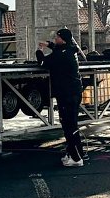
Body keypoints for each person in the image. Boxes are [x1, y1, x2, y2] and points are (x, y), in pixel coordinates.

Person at [36, 27, 85, 167]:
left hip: (66, 93)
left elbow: (43, 63)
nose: (54, 39)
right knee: (71, 125)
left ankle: (76, 158)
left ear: (62, 39)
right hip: (73, 92)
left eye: (56, 37)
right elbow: (59, 49)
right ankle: (75, 153)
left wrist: (39, 51)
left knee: (69, 126)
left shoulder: (60, 55)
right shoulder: (70, 49)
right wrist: (49, 45)